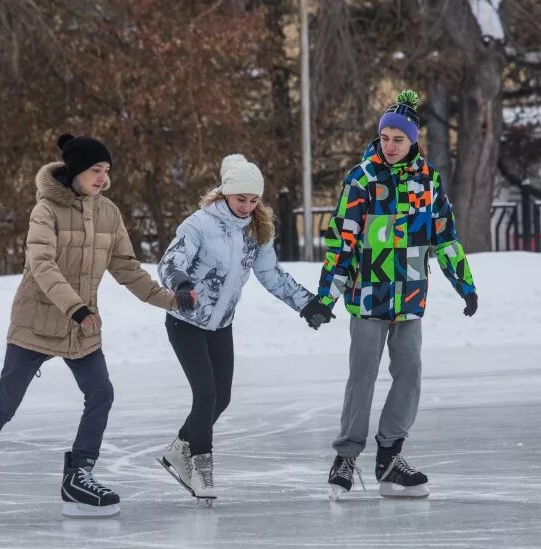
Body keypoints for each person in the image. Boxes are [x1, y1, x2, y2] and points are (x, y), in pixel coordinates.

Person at [0, 133, 193, 520]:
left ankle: (78, 475)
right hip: (37, 321)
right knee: (4, 405)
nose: (102, 178)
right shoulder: (45, 211)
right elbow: (42, 266)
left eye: (106, 170)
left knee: (101, 394)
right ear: (75, 172)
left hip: (80, 328)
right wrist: (76, 308)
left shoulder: (109, 213)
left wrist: (171, 300)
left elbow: (126, 269)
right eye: (94, 170)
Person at [299, 90, 478, 501]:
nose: (391, 145)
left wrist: (465, 285)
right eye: (386, 138)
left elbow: (445, 237)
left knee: (410, 372)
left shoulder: (428, 180)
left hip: (410, 298)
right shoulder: (362, 178)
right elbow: (342, 241)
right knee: (362, 375)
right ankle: (345, 456)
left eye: (399, 138)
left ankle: (390, 456)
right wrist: (326, 298)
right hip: (368, 296)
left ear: (413, 140)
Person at [157, 154, 315, 505]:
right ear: (225, 193)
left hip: (221, 326)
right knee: (207, 395)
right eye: (240, 198)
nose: (246, 205)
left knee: (222, 397)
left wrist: (305, 303)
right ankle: (200, 467)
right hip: (186, 321)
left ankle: (178, 449)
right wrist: (181, 284)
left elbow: (271, 275)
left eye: (253, 199)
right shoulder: (199, 224)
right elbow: (171, 261)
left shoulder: (256, 230)